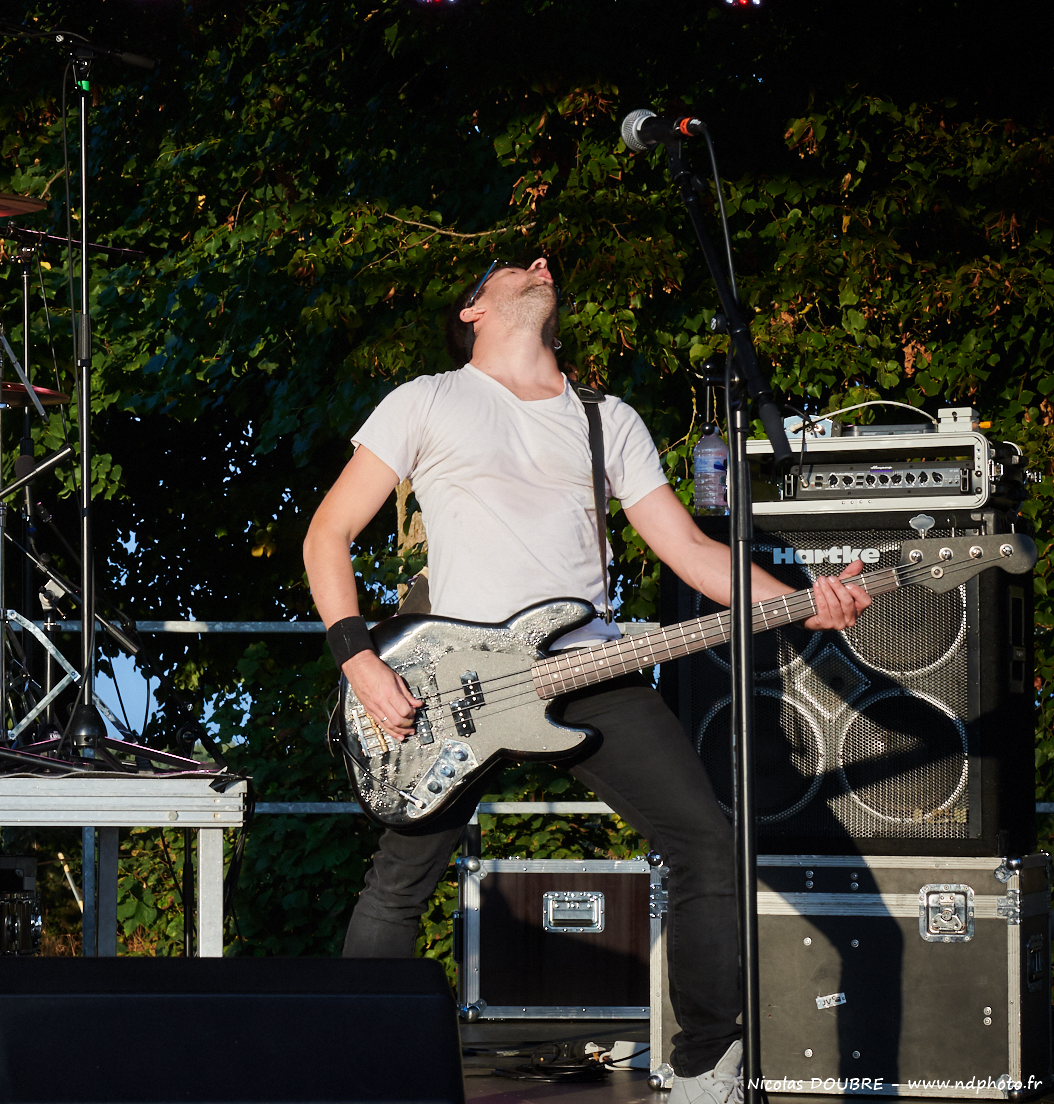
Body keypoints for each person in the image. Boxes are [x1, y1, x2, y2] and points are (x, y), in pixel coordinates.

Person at [302, 258, 871, 1104]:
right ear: (474, 309)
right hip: (456, 687)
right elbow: (327, 533)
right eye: (515, 265)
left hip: (587, 665)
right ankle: (359, 1077)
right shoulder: (427, 400)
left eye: (543, 264)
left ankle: (705, 1069)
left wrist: (800, 605)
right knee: (399, 882)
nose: (540, 265)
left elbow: (691, 551)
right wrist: (360, 660)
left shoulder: (608, 419)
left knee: (707, 844)